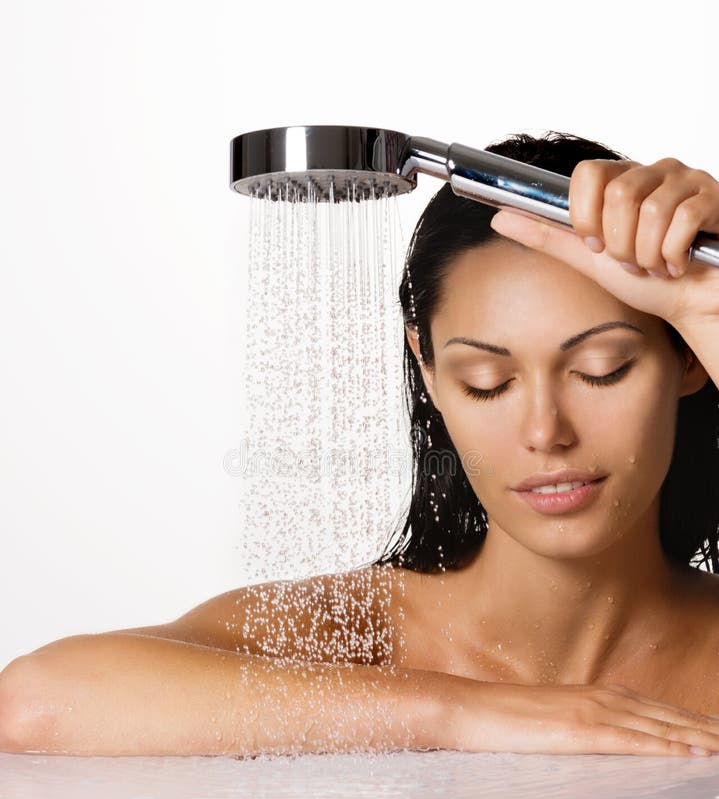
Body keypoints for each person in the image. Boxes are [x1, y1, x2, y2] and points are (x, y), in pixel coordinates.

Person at [2, 132, 719, 760]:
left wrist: (703, 304)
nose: (544, 432)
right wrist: (459, 711)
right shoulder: (356, 637)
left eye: (602, 370)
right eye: (486, 381)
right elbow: (35, 703)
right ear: (428, 368)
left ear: (687, 357)